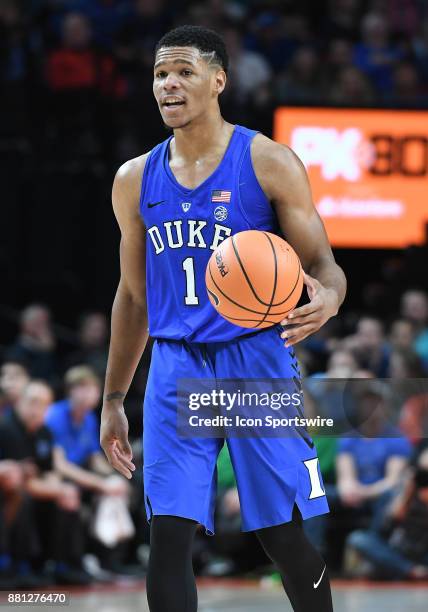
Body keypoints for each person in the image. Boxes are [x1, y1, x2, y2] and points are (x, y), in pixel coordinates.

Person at [100, 25, 346, 612]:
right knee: (169, 536)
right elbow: (133, 297)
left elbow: (324, 266)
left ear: (219, 80)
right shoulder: (134, 179)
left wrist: (329, 298)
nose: (168, 84)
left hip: (254, 359)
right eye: (160, 74)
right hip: (175, 365)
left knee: (280, 534)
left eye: (183, 71)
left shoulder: (267, 161)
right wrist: (113, 397)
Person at [0, 381, 89, 586]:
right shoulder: (7, 428)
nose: (37, 409)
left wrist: (58, 487)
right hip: (10, 492)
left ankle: (64, 564)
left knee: (68, 496)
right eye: (33, 402)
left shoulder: (44, 433)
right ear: (20, 402)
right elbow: (19, 480)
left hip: (32, 489)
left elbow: (48, 471)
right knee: (24, 497)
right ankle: (16, 564)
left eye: (44, 404)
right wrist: (56, 490)